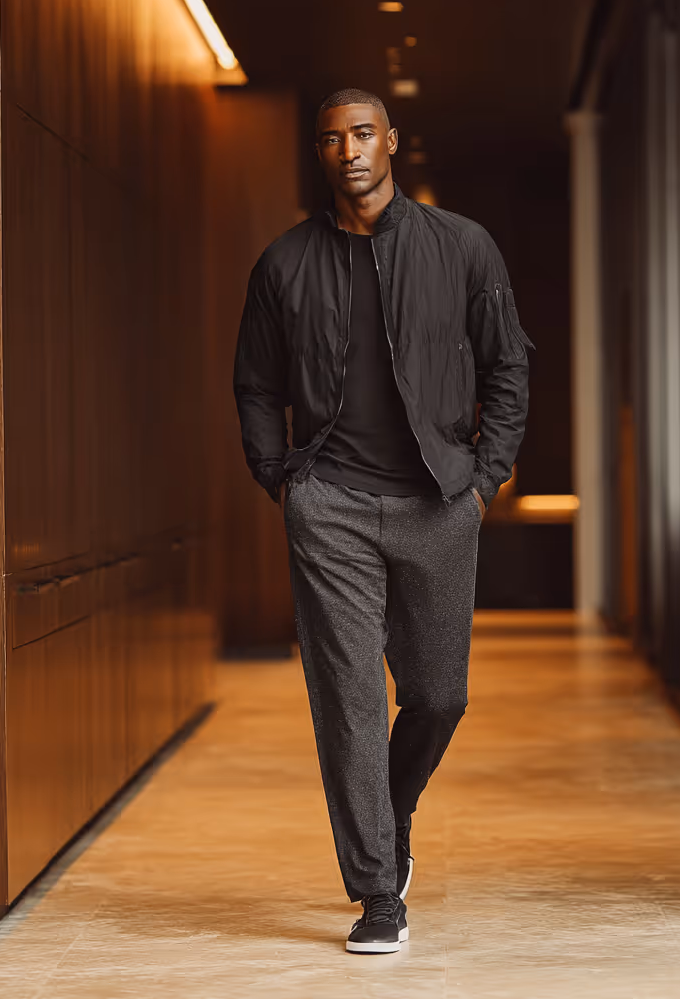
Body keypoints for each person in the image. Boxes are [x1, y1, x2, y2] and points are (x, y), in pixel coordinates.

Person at [233, 88, 531, 954]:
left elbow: (509, 366)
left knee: (440, 696)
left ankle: (390, 815)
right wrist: (282, 482)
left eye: (363, 134)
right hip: (329, 505)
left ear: (390, 141)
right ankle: (376, 893)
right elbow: (255, 383)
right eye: (332, 139)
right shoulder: (283, 264)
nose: (349, 151)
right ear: (320, 153)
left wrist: (485, 481)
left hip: (440, 501)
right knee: (351, 702)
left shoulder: (463, 247)